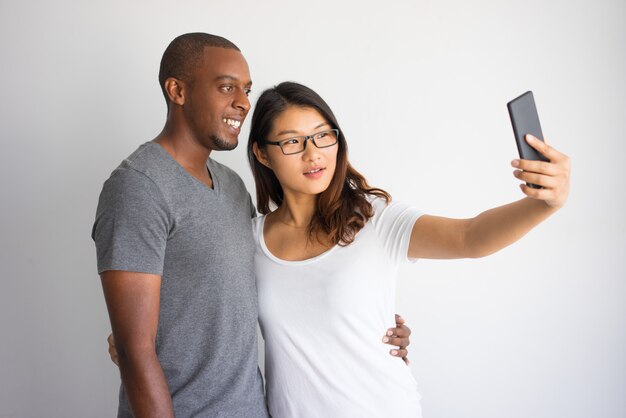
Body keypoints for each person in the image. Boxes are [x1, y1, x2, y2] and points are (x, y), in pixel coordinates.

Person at [93, 33, 410, 418]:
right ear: (177, 91)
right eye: (226, 87)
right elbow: (133, 349)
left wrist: (366, 323)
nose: (243, 103)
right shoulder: (140, 186)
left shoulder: (231, 186)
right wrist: (128, 344)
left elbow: (242, 295)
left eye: (246, 89)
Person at [243, 82, 570, 417]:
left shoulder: (374, 217)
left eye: (323, 135)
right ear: (262, 153)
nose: (313, 153)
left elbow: (470, 237)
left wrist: (544, 206)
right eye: (292, 141)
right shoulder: (249, 240)